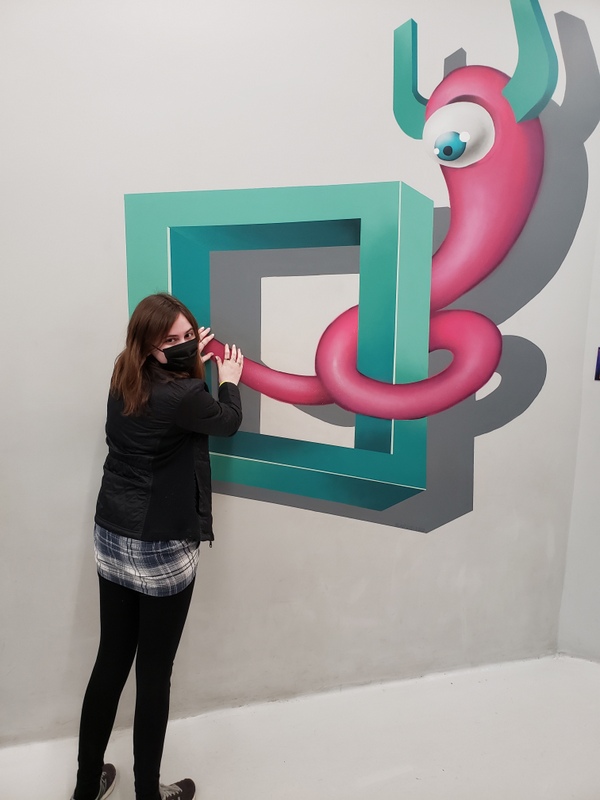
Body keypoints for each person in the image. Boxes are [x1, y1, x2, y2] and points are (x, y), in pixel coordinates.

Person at [71, 293, 243, 800]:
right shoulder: (185, 395)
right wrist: (228, 379)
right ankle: (148, 793)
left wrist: (186, 358)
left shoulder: (123, 373)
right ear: (148, 346)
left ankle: (86, 786)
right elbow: (225, 421)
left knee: (110, 660)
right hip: (161, 546)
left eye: (189, 334)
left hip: (112, 534)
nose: (185, 344)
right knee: (153, 673)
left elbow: (171, 399)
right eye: (171, 339)